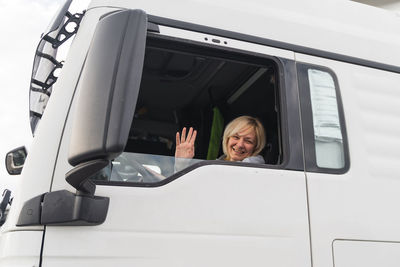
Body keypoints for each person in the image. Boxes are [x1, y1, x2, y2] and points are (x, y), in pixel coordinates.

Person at [175, 116, 266, 166]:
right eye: (236, 137)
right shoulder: (218, 163)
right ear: (227, 139)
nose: (240, 144)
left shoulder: (255, 165)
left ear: (256, 147)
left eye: (248, 141)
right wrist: (181, 164)